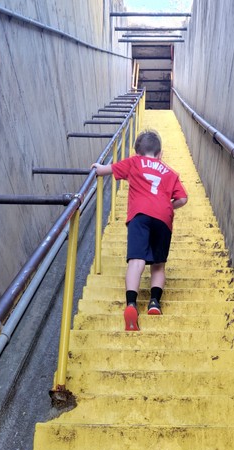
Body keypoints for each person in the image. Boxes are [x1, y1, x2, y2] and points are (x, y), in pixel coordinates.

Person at [92, 130, 188, 331]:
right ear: (160, 154)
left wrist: (98, 168)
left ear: (137, 151)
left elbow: (105, 170)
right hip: (163, 218)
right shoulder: (170, 172)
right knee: (159, 265)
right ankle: (154, 302)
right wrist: (168, 206)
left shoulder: (134, 162)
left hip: (140, 215)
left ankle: (131, 304)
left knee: (137, 261)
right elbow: (183, 199)